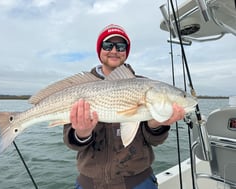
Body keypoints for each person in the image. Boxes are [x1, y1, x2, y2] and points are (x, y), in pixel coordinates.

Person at [63, 24, 185, 189]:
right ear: (99, 50)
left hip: (139, 182)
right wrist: (82, 133)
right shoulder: (82, 88)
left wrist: (156, 124)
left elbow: (155, 140)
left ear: (126, 52)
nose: (114, 50)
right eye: (108, 45)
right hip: (90, 184)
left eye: (121, 46)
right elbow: (72, 143)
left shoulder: (146, 85)